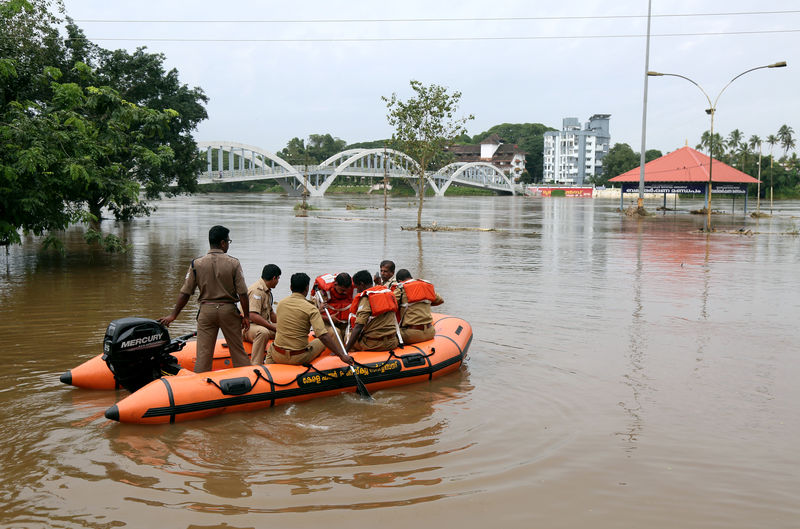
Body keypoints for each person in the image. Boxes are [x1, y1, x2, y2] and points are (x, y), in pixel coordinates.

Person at [158, 225, 250, 373]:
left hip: (206, 312)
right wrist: (246, 316)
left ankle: (200, 387)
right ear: (222, 243)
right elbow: (243, 293)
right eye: (228, 241)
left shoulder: (197, 264)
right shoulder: (234, 263)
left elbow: (185, 293)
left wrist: (173, 315)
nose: (228, 244)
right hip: (228, 311)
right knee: (238, 352)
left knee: (203, 355)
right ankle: (249, 381)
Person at [267, 273, 353, 366]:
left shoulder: (281, 304)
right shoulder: (311, 309)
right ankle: (329, 363)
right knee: (322, 340)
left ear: (291, 287)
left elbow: (297, 315)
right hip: (298, 357)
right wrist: (341, 355)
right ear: (307, 288)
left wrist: (317, 310)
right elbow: (323, 336)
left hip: (277, 354)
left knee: (272, 347)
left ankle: (265, 367)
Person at [345, 270, 400, 352]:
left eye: (357, 287)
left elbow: (358, 327)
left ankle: (351, 357)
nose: (357, 291)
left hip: (374, 344)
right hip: (392, 342)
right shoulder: (387, 293)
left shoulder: (366, 298)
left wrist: (344, 351)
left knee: (347, 336)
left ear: (362, 284)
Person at [393, 269, 444, 344]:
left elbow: (387, 306)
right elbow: (440, 300)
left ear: (400, 281)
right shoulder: (426, 286)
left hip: (412, 335)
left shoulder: (401, 289)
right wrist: (425, 303)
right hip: (430, 332)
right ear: (411, 277)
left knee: (388, 336)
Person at [245, 264, 281, 365]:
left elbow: (272, 315)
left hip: (261, 324)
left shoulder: (267, 292)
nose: (278, 281)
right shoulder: (257, 291)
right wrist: (273, 328)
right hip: (248, 327)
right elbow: (252, 315)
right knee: (263, 332)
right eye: (278, 278)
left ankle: (280, 357)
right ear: (274, 278)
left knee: (285, 328)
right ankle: (256, 364)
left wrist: (286, 323)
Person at [311, 272, 354, 341]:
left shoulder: (354, 290)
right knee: (336, 332)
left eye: (347, 290)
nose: (345, 293)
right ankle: (338, 351)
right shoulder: (322, 293)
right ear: (335, 284)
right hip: (328, 324)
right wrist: (328, 318)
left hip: (347, 324)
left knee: (351, 335)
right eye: (342, 290)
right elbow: (312, 315)